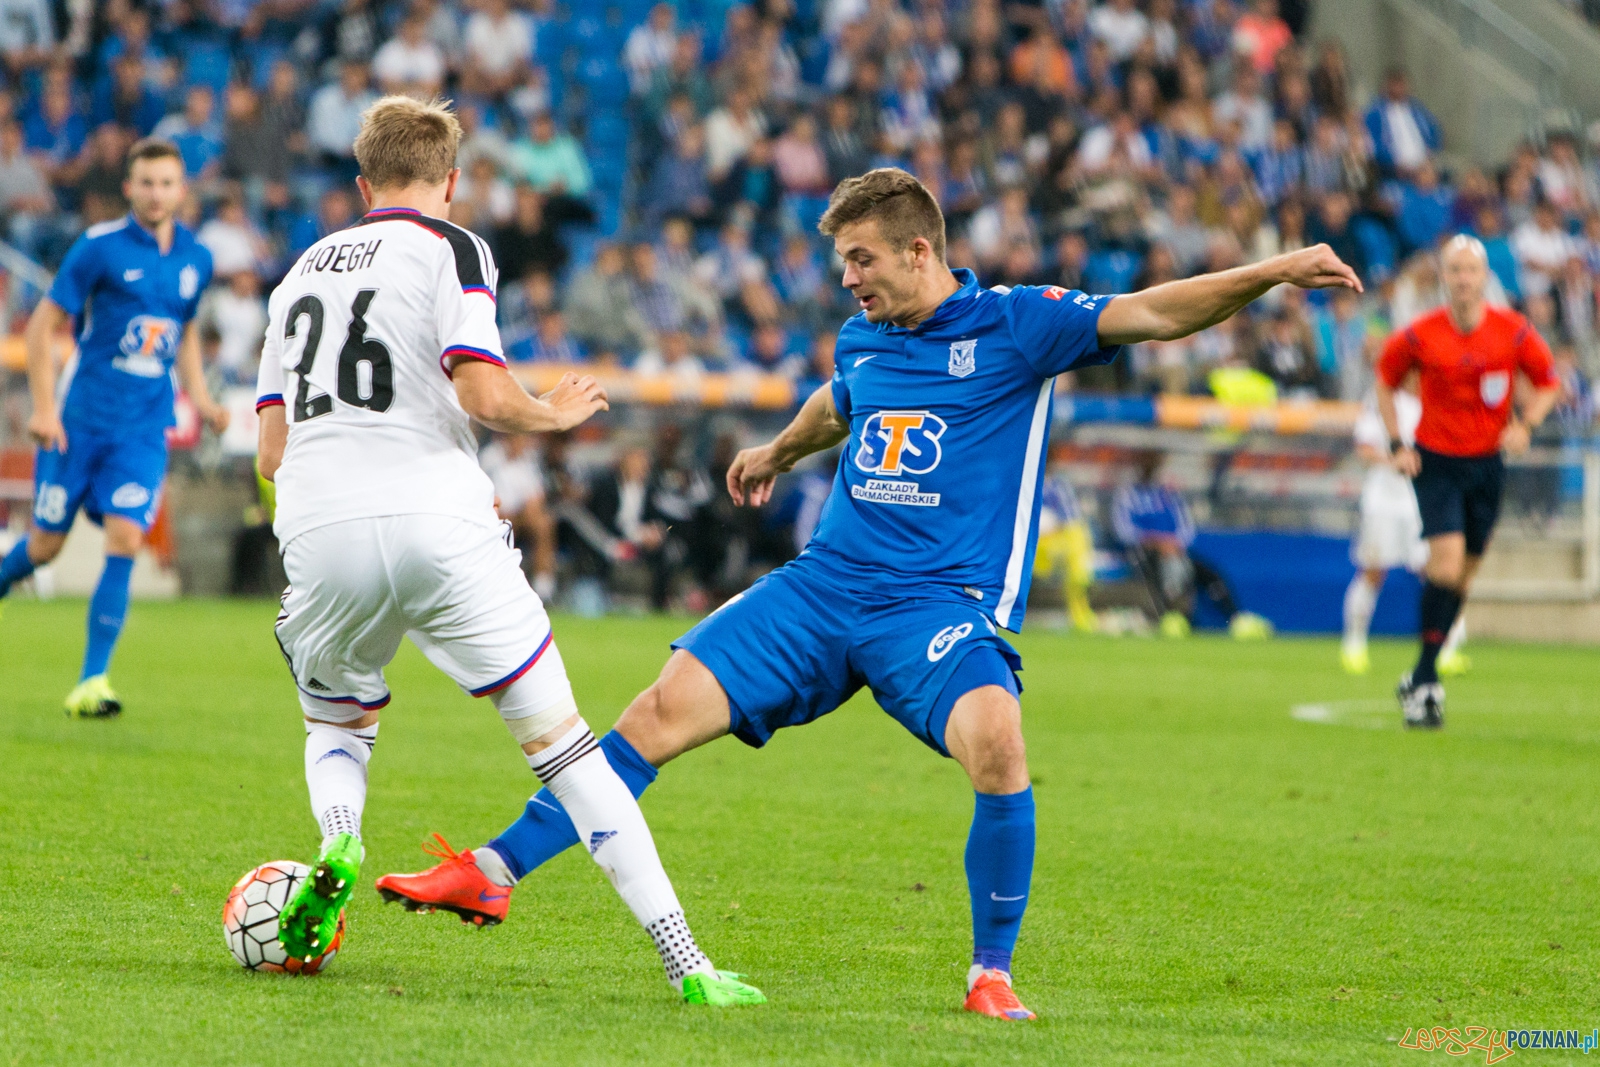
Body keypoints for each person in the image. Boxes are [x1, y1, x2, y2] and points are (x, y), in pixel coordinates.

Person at [383, 166, 1362, 1020]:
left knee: (998, 740)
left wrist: (1272, 270)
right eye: (842, 263)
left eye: (860, 259)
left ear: (918, 249)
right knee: (656, 709)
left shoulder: (1020, 324)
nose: (847, 280)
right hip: (824, 587)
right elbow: (837, 399)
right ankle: (494, 870)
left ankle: (990, 971)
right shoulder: (865, 338)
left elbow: (1150, 311)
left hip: (936, 605)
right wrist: (776, 448)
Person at [252, 96, 761, 1007]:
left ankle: (338, 835)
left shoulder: (296, 276)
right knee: (570, 754)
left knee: (335, 723)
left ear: (363, 183)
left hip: (321, 525)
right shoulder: (454, 247)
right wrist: (550, 411)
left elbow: (269, 451)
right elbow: (483, 389)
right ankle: (690, 963)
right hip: (440, 522)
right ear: (450, 183)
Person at [0, 138, 229, 717]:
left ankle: (91, 682)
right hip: (78, 424)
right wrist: (45, 409)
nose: (156, 193)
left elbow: (185, 331)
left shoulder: (196, 258)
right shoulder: (98, 248)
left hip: (142, 430)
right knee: (46, 546)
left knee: (126, 537)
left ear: (182, 190)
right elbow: (42, 324)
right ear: (129, 188)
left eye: (166, 183)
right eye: (146, 182)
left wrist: (199, 397)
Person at [1377, 235, 1560, 728]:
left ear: (1484, 278)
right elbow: (1386, 377)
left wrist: (1525, 425)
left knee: (1464, 576)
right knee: (1446, 564)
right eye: (1454, 270)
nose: (1463, 279)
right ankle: (1426, 683)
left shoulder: (1512, 330)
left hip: (1487, 464)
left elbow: (1548, 381)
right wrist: (1398, 443)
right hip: (1436, 461)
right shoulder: (1421, 333)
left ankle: (1420, 673)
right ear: (1444, 277)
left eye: (1470, 271)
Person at [1111, 451, 1273, 640]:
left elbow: (1185, 527)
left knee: (1209, 574)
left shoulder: (1167, 493)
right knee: (1153, 570)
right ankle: (1167, 618)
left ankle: (1236, 618)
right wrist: (1156, 541)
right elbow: (1123, 530)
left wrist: (1174, 543)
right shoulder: (1127, 494)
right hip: (1144, 550)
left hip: (1174, 549)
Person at [1340, 380, 1429, 675]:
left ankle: (1447, 647)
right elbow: (1364, 449)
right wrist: (1394, 461)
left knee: (1437, 570)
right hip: (1383, 500)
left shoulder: (1434, 398)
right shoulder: (1381, 398)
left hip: (1420, 500)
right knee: (1374, 570)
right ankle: (1354, 644)